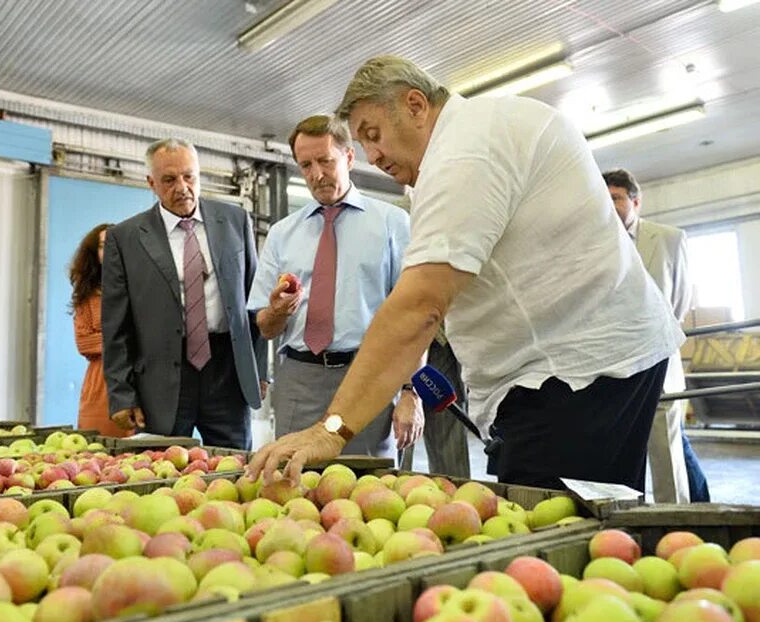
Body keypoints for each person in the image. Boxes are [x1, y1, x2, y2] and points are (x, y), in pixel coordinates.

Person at [248, 55, 684, 493]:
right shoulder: (483, 132)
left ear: (416, 105)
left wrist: (332, 429)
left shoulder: (465, 152)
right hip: (580, 364)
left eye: (374, 135)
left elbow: (419, 306)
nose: (373, 156)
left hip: (574, 374)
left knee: (550, 528)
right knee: (574, 521)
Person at [247, 114, 421, 461]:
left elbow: (412, 316)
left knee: (370, 491)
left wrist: (409, 392)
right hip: (298, 380)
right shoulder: (283, 233)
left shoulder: (391, 223)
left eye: (325, 160)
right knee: (291, 485)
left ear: (349, 157)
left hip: (367, 377)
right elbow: (265, 327)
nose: (316, 174)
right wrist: (277, 311)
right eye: (306, 164)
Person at [102, 138, 266, 450]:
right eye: (169, 179)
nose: (182, 187)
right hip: (161, 378)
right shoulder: (125, 238)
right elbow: (116, 326)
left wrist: (260, 369)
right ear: (151, 183)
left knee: (236, 468)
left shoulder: (234, 221)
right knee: (162, 472)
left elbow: (254, 300)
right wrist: (122, 394)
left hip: (227, 371)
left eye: (189, 176)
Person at [604, 168, 710, 502]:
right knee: (617, 454)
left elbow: (679, 301)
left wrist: (658, 337)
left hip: (659, 359)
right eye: (604, 199)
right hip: (612, 365)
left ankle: (674, 520)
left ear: (635, 200)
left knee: (667, 451)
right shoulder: (595, 244)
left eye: (617, 198)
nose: (610, 205)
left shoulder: (668, 238)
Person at [394, 190, 470, 477]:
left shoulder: (462, 206)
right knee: (402, 434)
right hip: (405, 339)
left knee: (449, 440)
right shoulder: (396, 215)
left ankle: (459, 503)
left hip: (448, 339)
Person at [70, 223, 132, 437]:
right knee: (96, 452)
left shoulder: (141, 290)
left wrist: (108, 339)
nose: (111, 251)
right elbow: (84, 342)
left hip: (138, 380)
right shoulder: (87, 296)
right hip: (100, 384)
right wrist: (127, 339)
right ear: (94, 253)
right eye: (104, 246)